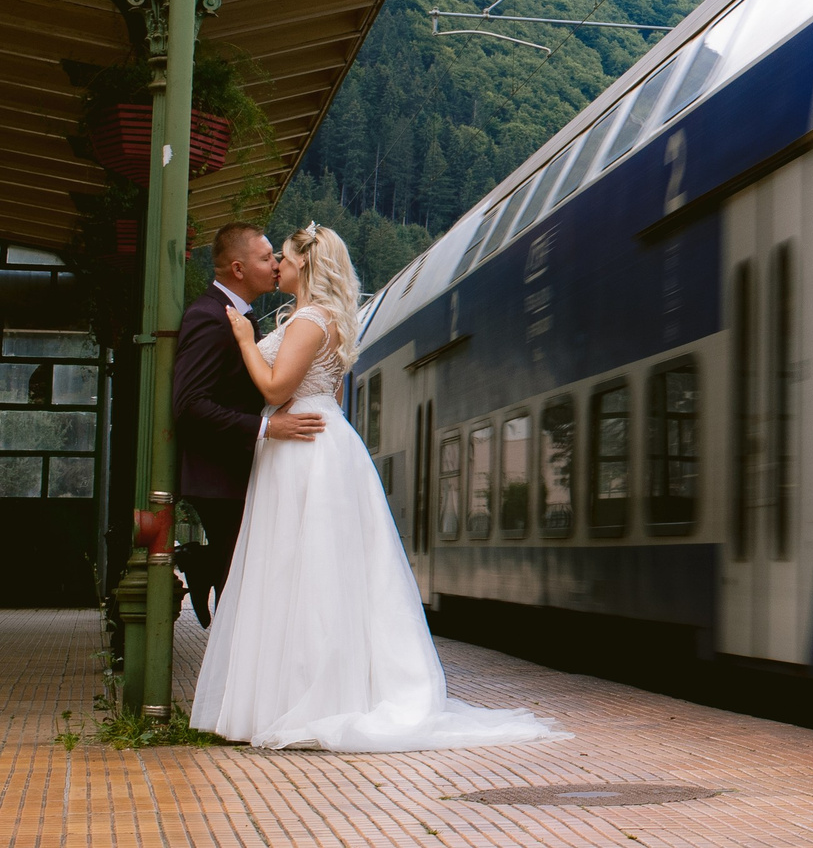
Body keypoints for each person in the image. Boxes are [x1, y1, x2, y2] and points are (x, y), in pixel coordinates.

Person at [190, 221, 562, 751]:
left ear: (306, 265)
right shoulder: (324, 320)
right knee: (315, 572)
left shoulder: (308, 321)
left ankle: (301, 698)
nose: (278, 266)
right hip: (319, 439)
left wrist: (248, 342)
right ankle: (312, 692)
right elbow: (332, 396)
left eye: (286, 259)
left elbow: (275, 386)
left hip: (302, 446)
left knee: (301, 571)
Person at [174, 223, 323, 630]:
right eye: (266, 257)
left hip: (240, 469)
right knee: (238, 583)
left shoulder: (241, 318)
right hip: (220, 476)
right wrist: (266, 429)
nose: (276, 264)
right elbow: (189, 406)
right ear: (238, 269)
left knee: (244, 577)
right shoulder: (209, 318)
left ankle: (202, 564)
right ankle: (232, 687)